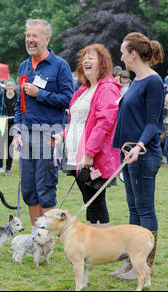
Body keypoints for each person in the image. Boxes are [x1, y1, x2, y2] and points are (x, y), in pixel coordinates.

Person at [12, 19, 74, 235]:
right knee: (29, 189)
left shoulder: (60, 66)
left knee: (45, 188)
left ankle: (49, 236)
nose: (30, 40)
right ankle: (36, 235)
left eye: (34, 36)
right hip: (27, 136)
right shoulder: (23, 66)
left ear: (46, 39)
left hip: (48, 134)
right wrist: (17, 131)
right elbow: (20, 103)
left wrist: (41, 94)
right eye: (28, 35)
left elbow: (68, 99)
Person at [111, 32, 164, 280]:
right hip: (129, 155)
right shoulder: (137, 80)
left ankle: (145, 267)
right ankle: (133, 262)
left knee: (145, 210)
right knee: (134, 210)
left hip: (143, 155)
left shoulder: (153, 82)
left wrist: (139, 146)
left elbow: (153, 123)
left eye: (123, 51)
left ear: (133, 54)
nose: (120, 56)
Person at [59, 43, 121, 228]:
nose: (86, 60)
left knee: (95, 202)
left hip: (93, 157)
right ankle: (93, 248)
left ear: (102, 63)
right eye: (83, 58)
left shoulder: (107, 88)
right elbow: (78, 122)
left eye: (91, 57)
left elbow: (104, 123)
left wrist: (89, 153)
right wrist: (61, 135)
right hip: (75, 155)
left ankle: (100, 248)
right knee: (88, 200)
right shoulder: (83, 90)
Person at [0, 78, 17, 176]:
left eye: (11, 85)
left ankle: (8, 169)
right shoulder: (1, 96)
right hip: (1, 124)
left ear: (14, 86)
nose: (9, 87)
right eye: (8, 85)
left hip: (13, 125)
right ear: (5, 86)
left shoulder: (17, 97)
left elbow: (20, 112)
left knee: (10, 148)